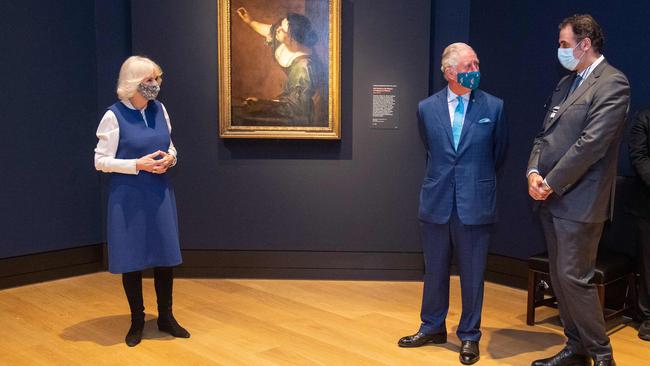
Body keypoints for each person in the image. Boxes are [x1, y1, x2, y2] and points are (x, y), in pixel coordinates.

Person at [526, 14, 630, 366]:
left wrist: (551, 182)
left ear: (585, 45)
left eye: (564, 44)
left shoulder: (613, 83)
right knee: (560, 277)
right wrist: (533, 171)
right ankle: (576, 348)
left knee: (575, 279)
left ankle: (602, 356)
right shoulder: (565, 84)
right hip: (551, 199)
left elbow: (591, 145)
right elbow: (544, 136)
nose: (560, 50)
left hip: (581, 202)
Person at [398, 42, 507, 365]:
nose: (475, 72)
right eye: (467, 67)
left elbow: (499, 154)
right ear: (448, 72)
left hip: (475, 202)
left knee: (473, 273)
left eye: (476, 65)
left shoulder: (494, 107)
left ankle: (469, 336)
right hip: (436, 200)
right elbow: (432, 150)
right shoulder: (425, 108)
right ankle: (432, 327)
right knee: (434, 270)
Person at [94, 56, 190, 347]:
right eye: (149, 80)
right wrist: (137, 164)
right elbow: (100, 161)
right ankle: (137, 320)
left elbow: (169, 145)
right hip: (128, 197)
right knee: (132, 258)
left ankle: (166, 317)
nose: (156, 85)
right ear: (133, 83)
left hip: (159, 193)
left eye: (157, 79)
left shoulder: (160, 110)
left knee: (164, 257)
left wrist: (171, 158)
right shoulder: (113, 116)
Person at [235, 7, 326, 125]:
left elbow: (295, 108)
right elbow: (270, 30)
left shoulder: (304, 69)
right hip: (288, 100)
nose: (277, 29)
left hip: (299, 116)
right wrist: (251, 21)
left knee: (243, 119)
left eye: (282, 29)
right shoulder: (292, 43)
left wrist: (262, 104)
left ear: (292, 39)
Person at [628, 106, 650, 342]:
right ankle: (648, 317)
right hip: (647, 206)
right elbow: (639, 157)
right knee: (648, 264)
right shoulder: (644, 118)